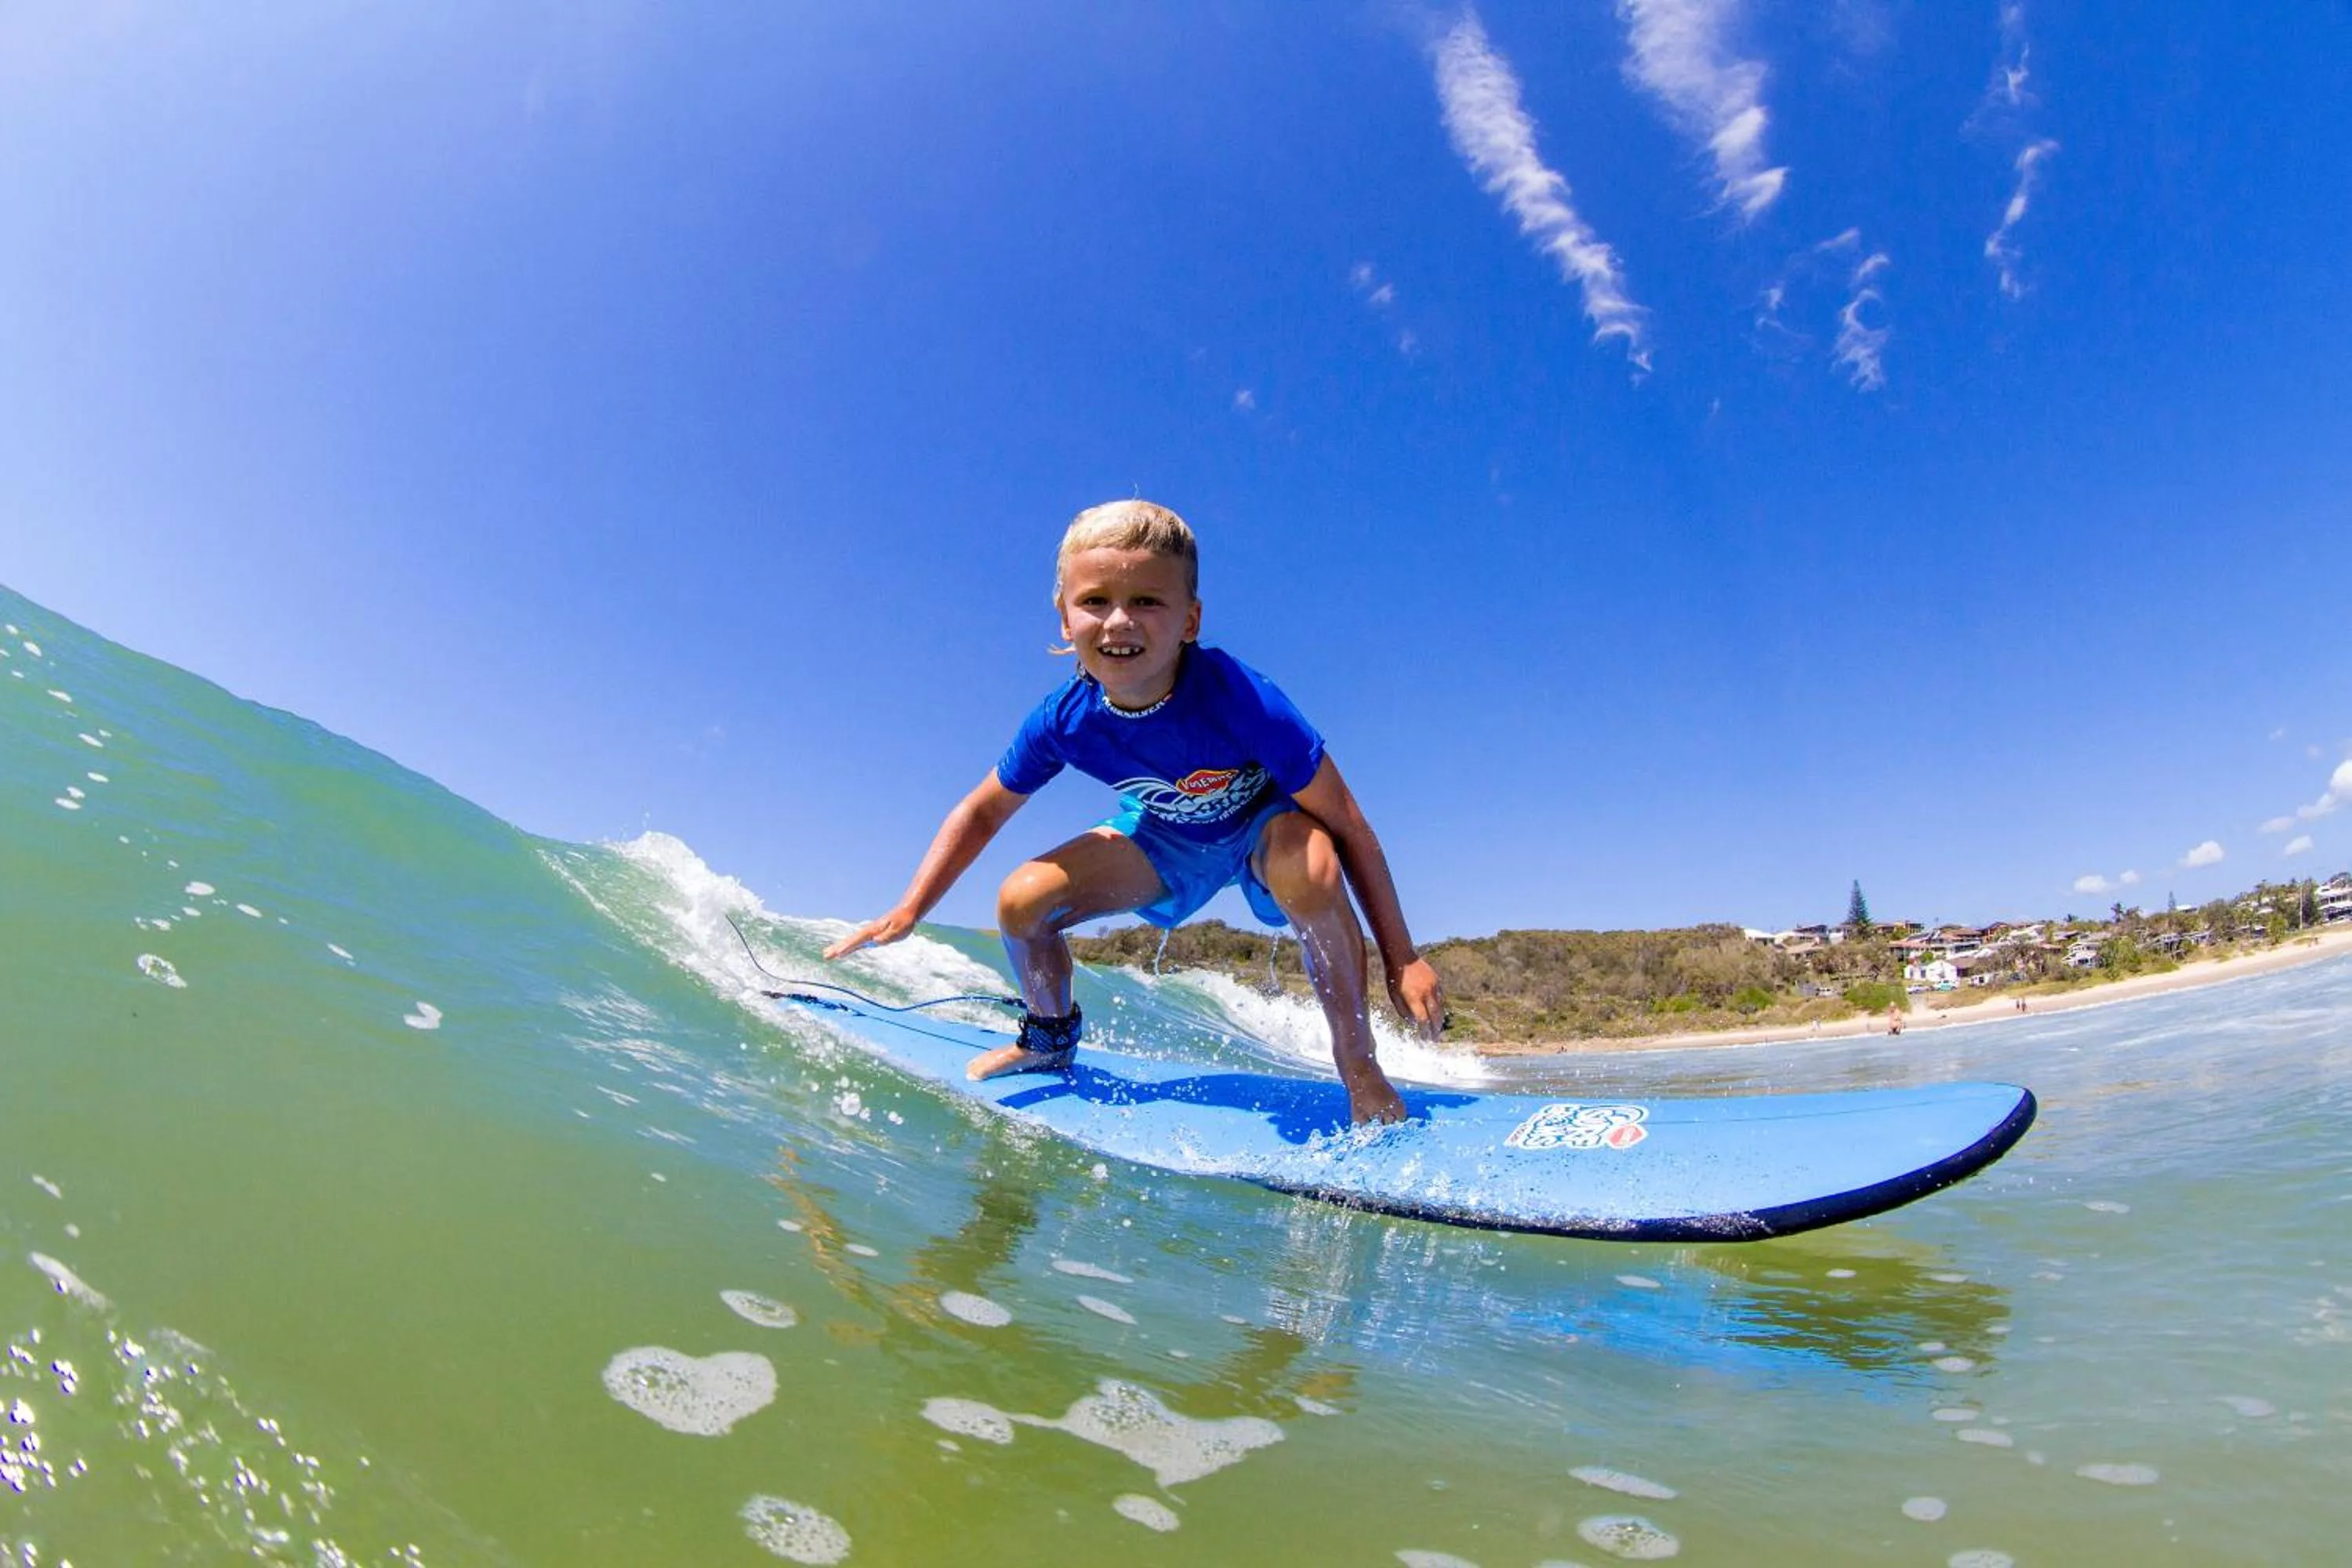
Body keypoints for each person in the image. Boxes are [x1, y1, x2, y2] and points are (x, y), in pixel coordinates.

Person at [823, 500, 1444, 1124]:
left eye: (1147, 601)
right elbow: (982, 811)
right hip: (1167, 836)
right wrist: (910, 908)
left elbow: (1348, 824)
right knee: (1021, 901)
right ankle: (1048, 1038)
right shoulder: (1064, 721)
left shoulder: (1243, 700)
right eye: (1095, 601)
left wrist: (1403, 958)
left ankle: (1359, 1069)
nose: (1119, 620)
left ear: (1190, 620)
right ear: (1065, 617)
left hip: (1264, 832)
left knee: (1308, 865)